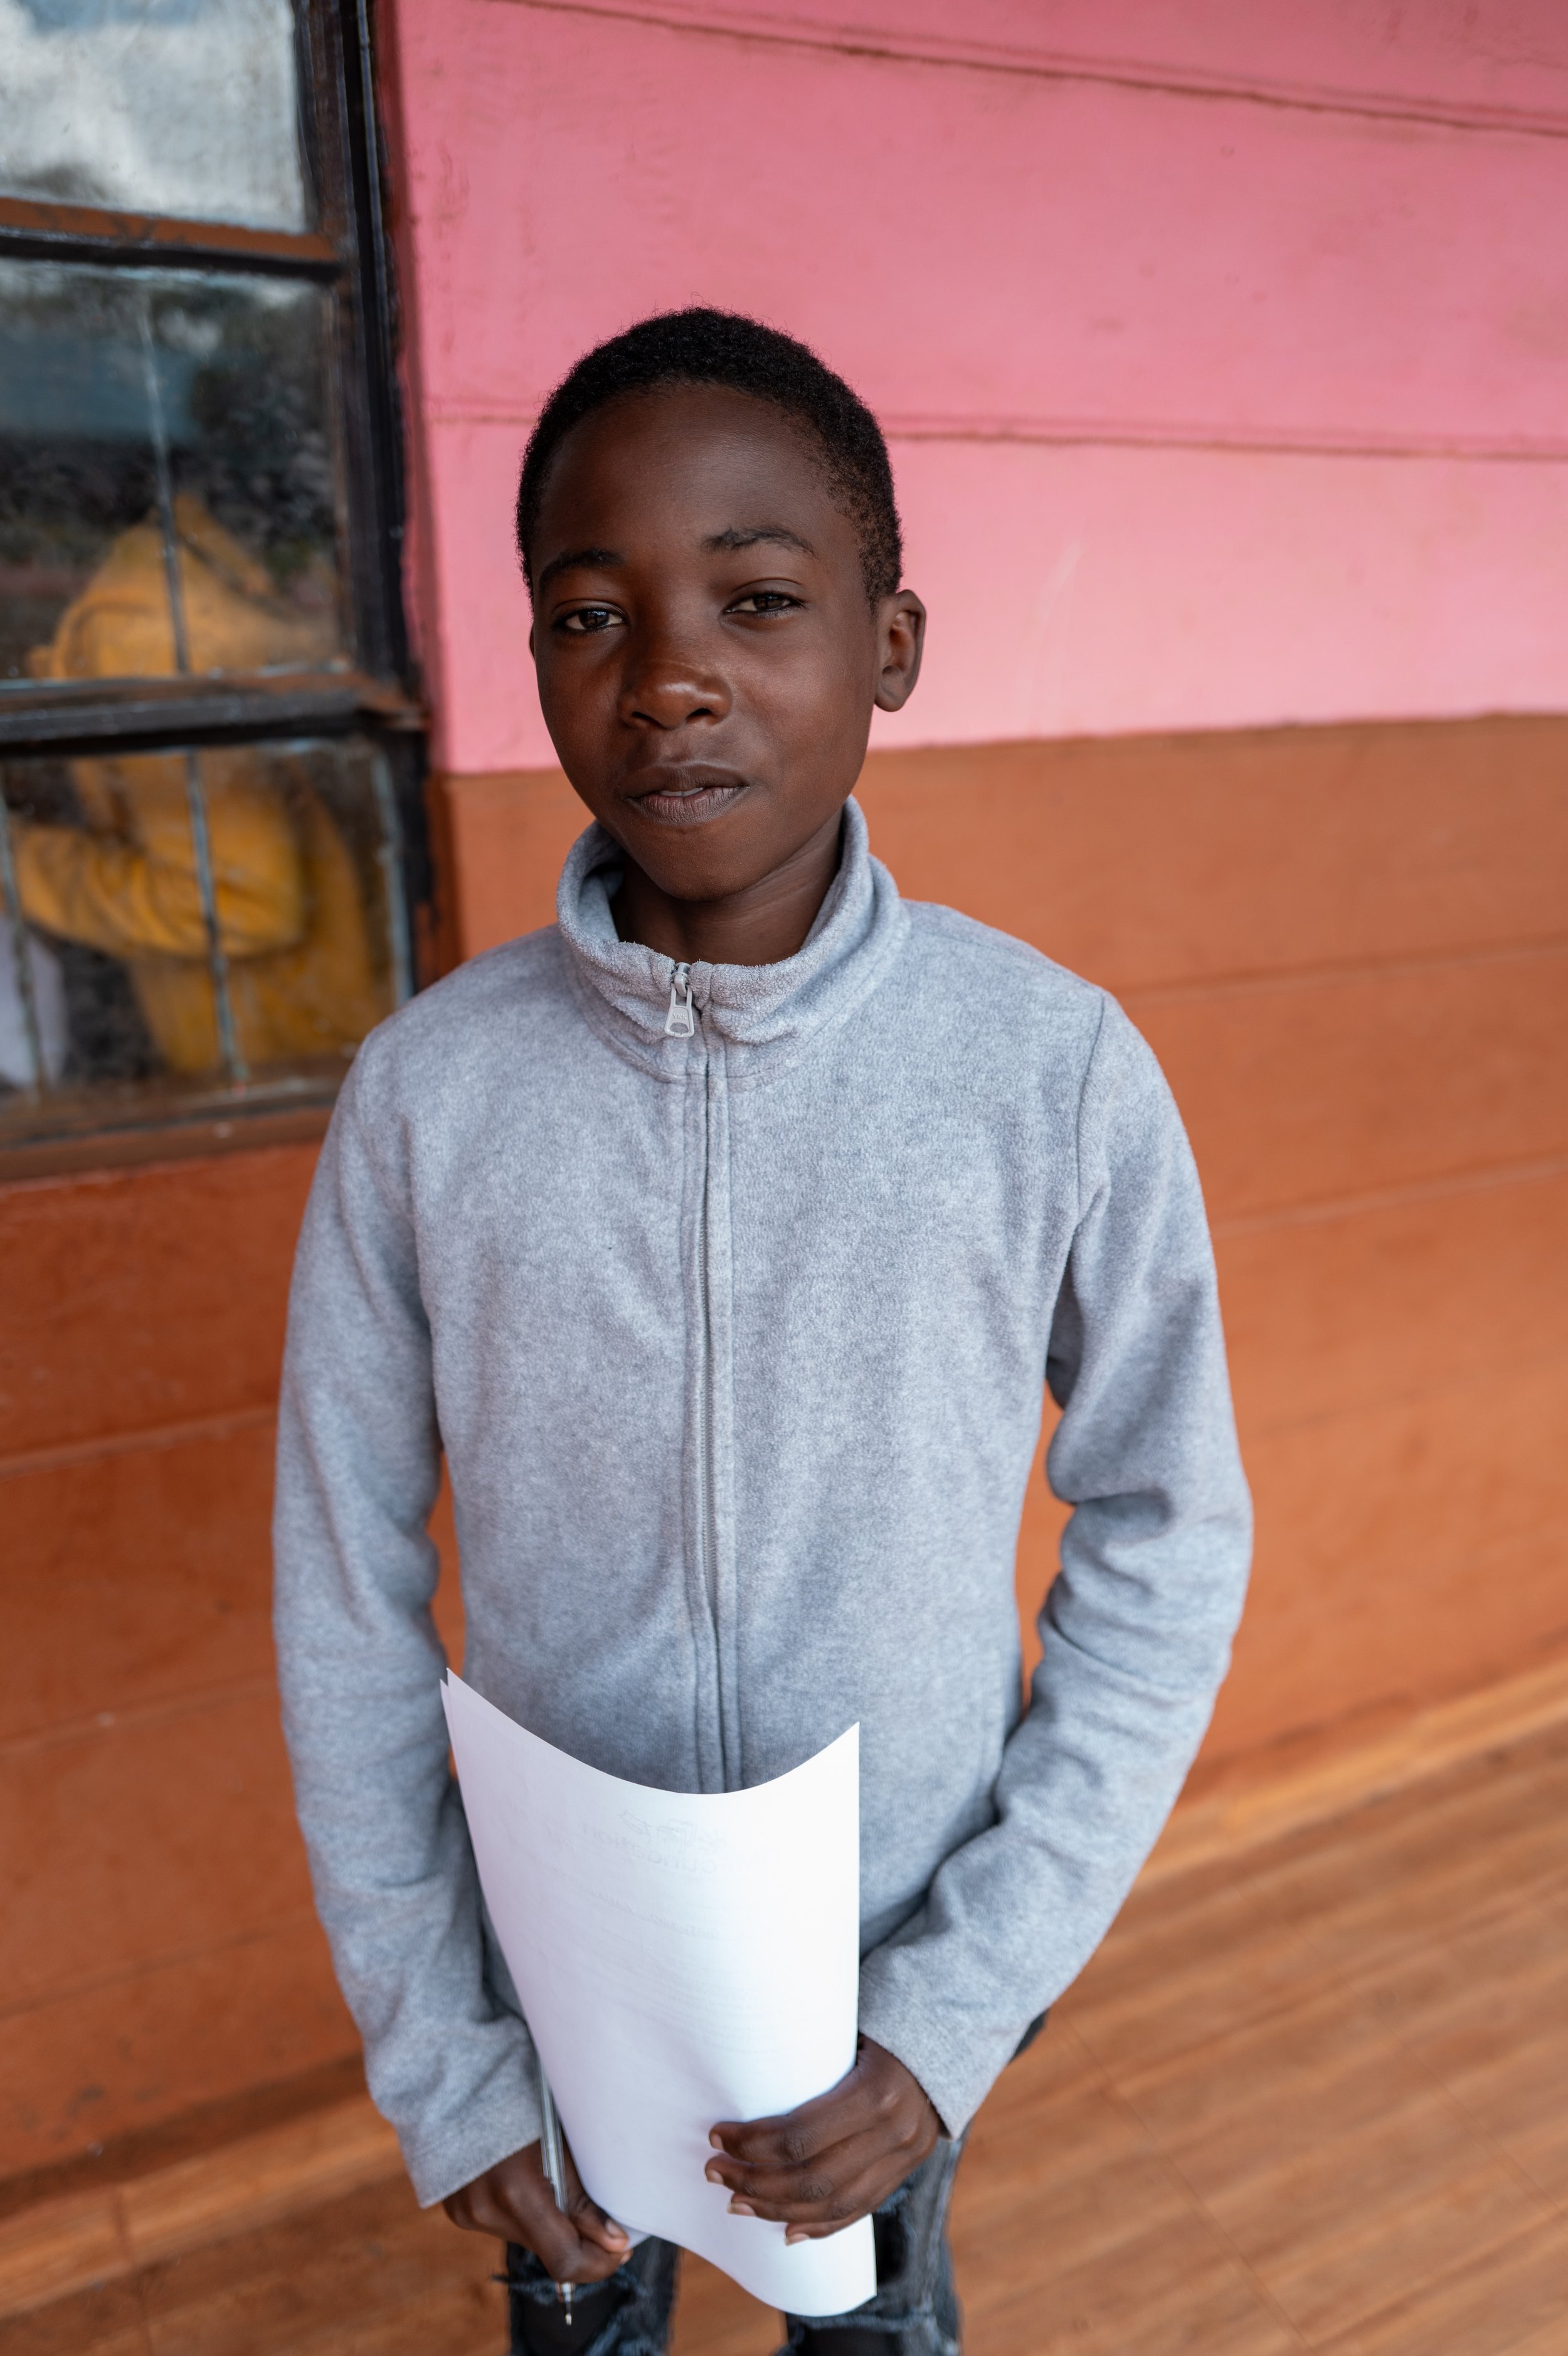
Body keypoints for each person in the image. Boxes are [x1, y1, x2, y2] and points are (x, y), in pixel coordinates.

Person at [273, 309, 1251, 2356]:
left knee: (874, 2329)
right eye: (590, 611)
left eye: (761, 597)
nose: (675, 675)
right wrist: (446, 2046)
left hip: (891, 1969)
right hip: (555, 1983)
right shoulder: (430, 1097)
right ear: (535, 657)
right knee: (583, 2327)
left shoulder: (1047, 1072)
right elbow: (343, 1587)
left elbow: (1171, 1534)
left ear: (888, 644)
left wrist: (955, 2004)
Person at [12, 496, 383, 1078]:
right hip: (344, 1031)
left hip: (289, 1053)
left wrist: (19, 860)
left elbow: (239, 904)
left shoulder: (144, 628)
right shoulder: (215, 581)